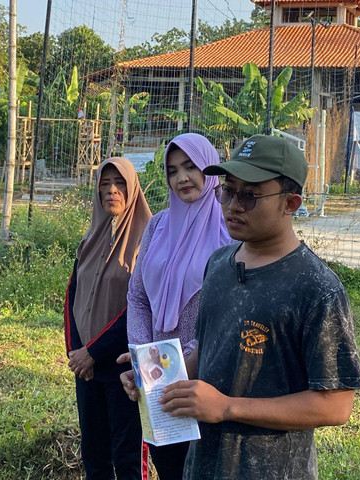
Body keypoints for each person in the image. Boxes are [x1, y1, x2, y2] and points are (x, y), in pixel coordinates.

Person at [136, 134, 360, 479]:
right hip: (202, 464)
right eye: (228, 191)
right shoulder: (218, 265)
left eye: (249, 195)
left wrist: (227, 407)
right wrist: (157, 378)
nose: (232, 205)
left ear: (290, 203)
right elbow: (208, 352)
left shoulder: (315, 288)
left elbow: (336, 405)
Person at [124, 133, 232, 480]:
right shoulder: (157, 225)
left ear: (210, 169)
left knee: (203, 467)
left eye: (191, 166)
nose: (182, 177)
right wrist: (145, 357)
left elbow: (231, 311)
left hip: (208, 378)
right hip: (159, 377)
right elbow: (137, 297)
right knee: (169, 463)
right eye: (173, 171)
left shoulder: (230, 230)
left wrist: (187, 359)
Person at [64, 157, 152, 479]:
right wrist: (76, 352)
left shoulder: (148, 241)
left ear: (132, 190)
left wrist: (93, 352)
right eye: (104, 184)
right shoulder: (90, 240)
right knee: (94, 454)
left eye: (119, 184)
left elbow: (139, 308)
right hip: (86, 368)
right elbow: (73, 295)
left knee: (126, 456)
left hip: (123, 368)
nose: (111, 191)